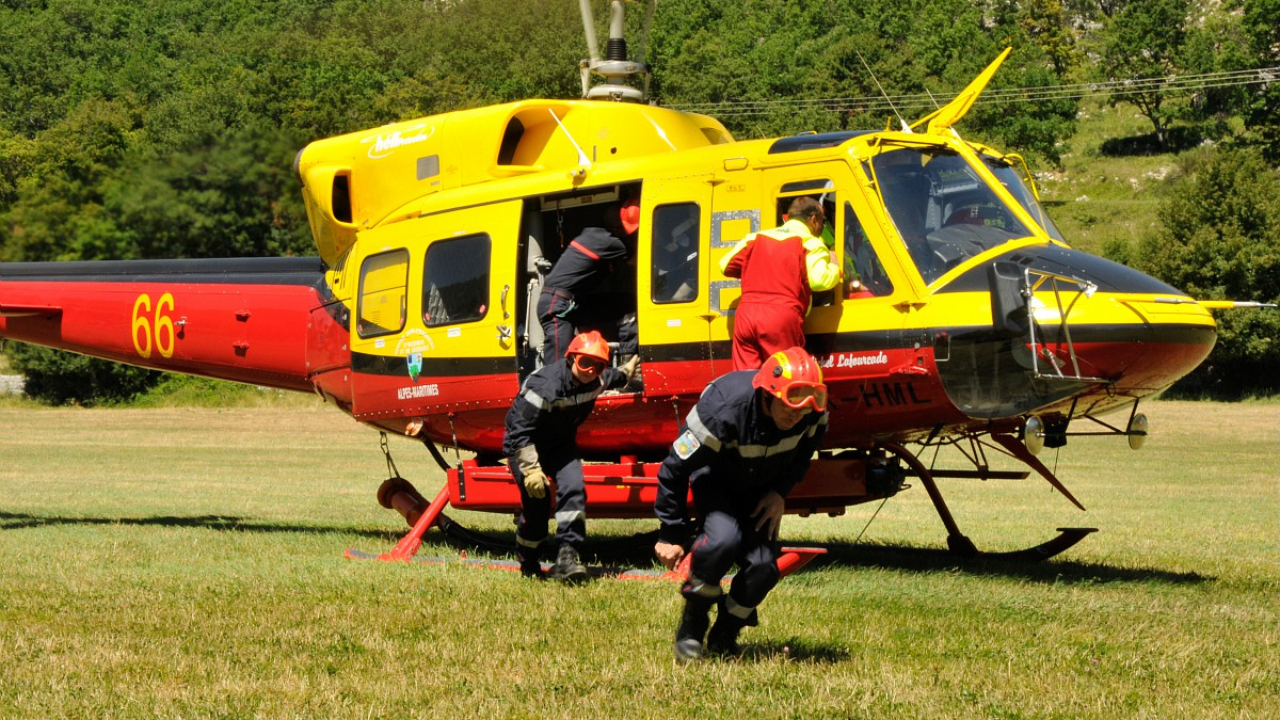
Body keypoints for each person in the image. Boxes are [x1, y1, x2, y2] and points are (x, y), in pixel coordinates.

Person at [653, 347, 829, 659]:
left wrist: (780, 492)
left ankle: (726, 631)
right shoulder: (722, 411)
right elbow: (673, 469)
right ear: (767, 393)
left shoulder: (811, 413)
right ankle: (693, 622)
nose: (798, 414)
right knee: (722, 541)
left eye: (805, 407)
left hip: (760, 489)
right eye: (790, 404)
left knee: (764, 568)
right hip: (716, 480)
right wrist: (671, 533)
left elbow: (805, 453)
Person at [503, 330, 639, 581]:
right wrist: (531, 469)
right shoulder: (544, 387)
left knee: (574, 487)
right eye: (585, 362)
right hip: (525, 445)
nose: (590, 370)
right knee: (537, 506)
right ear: (571, 358)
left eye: (597, 365)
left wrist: (629, 369)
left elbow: (615, 376)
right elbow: (520, 432)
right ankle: (529, 561)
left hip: (560, 445)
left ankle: (567, 557)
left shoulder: (598, 379)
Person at [719, 197, 840, 370]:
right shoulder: (811, 243)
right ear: (814, 219)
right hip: (780, 317)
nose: (822, 228)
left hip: (746, 316)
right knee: (783, 378)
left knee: (745, 379)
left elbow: (725, 265)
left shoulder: (755, 238)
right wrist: (834, 267)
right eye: (823, 221)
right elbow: (819, 281)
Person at [537, 198, 640, 366]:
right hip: (557, 304)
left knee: (626, 304)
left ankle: (627, 364)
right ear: (616, 227)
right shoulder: (604, 240)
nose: (627, 235)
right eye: (627, 231)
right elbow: (640, 258)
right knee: (557, 366)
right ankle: (554, 388)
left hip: (573, 303)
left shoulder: (598, 235)